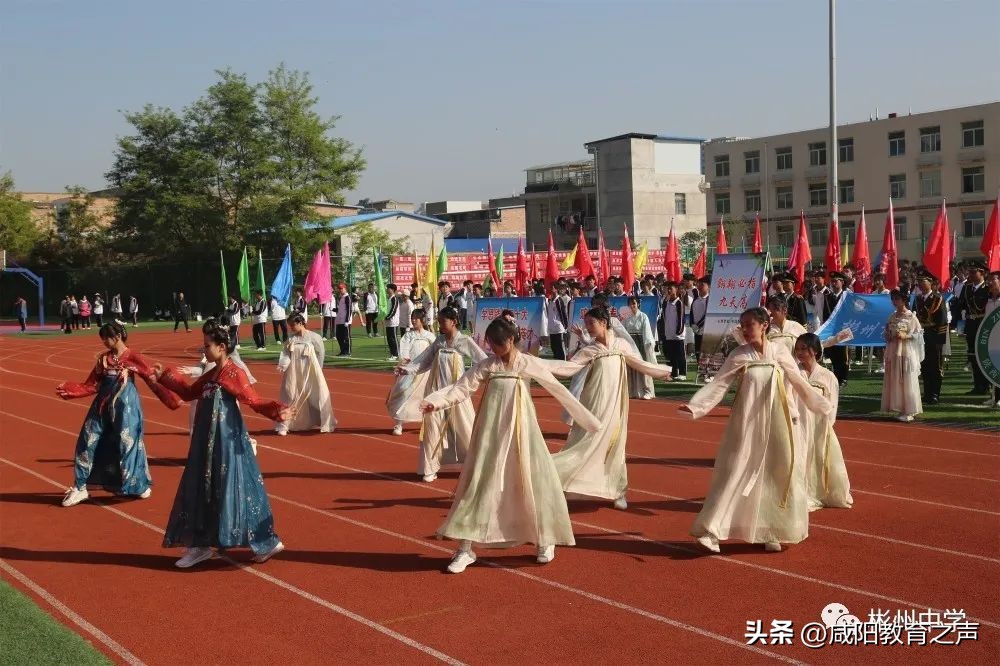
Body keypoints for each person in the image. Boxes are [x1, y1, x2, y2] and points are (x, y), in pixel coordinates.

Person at [420, 317, 601, 573]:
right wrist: (436, 402)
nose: (494, 348)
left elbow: (560, 376)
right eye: (491, 344)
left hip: (522, 432)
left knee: (534, 481)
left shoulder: (527, 363)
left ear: (512, 340)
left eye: (498, 343)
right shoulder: (487, 366)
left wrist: (588, 419)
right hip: (490, 435)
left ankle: (544, 540)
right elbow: (462, 388)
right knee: (479, 484)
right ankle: (465, 548)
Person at [679, 307, 832, 554]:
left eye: (750, 324)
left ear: (764, 325)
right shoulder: (739, 355)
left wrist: (819, 405)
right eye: (742, 324)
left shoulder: (780, 352)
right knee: (736, 471)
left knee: (776, 475)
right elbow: (720, 384)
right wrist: (696, 406)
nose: (745, 329)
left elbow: (798, 382)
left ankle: (771, 530)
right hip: (747, 424)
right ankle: (712, 531)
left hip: (778, 423)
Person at [153, 321, 292, 568]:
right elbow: (187, 393)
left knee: (238, 490)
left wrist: (277, 411)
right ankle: (200, 545)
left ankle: (264, 541)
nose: (204, 350)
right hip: (204, 443)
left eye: (208, 346)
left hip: (227, 443)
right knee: (201, 489)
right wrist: (165, 375)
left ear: (222, 346)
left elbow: (254, 400)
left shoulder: (233, 373)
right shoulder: (211, 373)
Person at [547, 306, 671, 509]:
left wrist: (662, 371)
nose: (588, 328)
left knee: (615, 446)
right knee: (585, 442)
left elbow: (640, 364)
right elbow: (568, 368)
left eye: (591, 324)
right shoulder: (590, 350)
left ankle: (618, 491)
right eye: (587, 324)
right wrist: (539, 366)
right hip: (594, 405)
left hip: (615, 406)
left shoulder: (621, 345)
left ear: (603, 323)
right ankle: (564, 480)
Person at [55, 321, 182, 507]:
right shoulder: (103, 360)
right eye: (103, 338)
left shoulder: (133, 357)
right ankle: (80, 487)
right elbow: (92, 384)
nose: (104, 342)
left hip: (126, 408)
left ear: (118, 337)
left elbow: (151, 379)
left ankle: (136, 485)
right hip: (101, 408)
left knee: (128, 444)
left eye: (107, 338)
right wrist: (73, 390)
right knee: (86, 440)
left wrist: (172, 399)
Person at [397, 306, 487, 482]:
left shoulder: (465, 341)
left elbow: (483, 361)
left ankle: (477, 466)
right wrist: (406, 370)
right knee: (431, 430)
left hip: (456, 395)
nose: (440, 326)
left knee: (465, 429)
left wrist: (475, 379)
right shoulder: (438, 341)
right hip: (436, 395)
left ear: (453, 322)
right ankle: (430, 468)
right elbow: (423, 361)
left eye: (443, 322)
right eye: (438, 322)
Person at [794, 333, 853, 510]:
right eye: (797, 349)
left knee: (820, 459)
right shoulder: (794, 373)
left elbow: (832, 404)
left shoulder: (828, 376)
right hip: (798, 424)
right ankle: (800, 492)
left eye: (804, 349)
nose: (800, 353)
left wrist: (827, 425)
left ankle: (821, 491)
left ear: (815, 351)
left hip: (820, 425)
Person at [275, 313, 335, 436]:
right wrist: (283, 365)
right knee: (290, 394)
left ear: (301, 323)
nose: (291, 327)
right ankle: (285, 424)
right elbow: (286, 353)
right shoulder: (291, 339)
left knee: (316, 396)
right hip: (293, 372)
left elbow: (320, 353)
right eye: (290, 325)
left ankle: (323, 421)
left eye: (293, 324)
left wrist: (318, 370)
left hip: (310, 372)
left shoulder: (314, 337)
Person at [386, 309, 436, 436]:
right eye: (412, 318)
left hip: (426, 372)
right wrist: (405, 362)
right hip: (410, 370)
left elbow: (435, 353)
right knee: (403, 393)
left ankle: (427, 423)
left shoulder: (430, 336)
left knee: (426, 397)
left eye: (416, 318)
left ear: (422, 320)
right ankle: (399, 424)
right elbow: (404, 351)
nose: (413, 320)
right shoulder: (408, 335)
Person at [882, 289, 924, 422]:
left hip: (906, 351)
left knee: (907, 378)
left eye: (897, 299)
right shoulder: (892, 316)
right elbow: (887, 329)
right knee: (896, 379)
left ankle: (910, 409)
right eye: (893, 299)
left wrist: (906, 336)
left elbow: (919, 334)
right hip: (894, 350)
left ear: (904, 300)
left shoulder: (911, 317)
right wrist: (887, 335)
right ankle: (901, 407)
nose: (895, 302)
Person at [914, 275, 947, 405]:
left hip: (934, 336)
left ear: (931, 283)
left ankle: (934, 394)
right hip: (921, 337)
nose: (921, 284)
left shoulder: (937, 299)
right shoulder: (917, 299)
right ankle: (926, 393)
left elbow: (943, 321)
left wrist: (940, 341)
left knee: (935, 367)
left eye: (923, 281)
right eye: (919, 281)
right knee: (924, 366)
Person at [620, 296, 659, 400]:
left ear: (638, 304)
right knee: (631, 368)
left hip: (641, 344)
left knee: (643, 368)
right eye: (630, 304)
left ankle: (648, 391)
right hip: (630, 345)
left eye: (634, 303)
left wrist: (648, 344)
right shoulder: (626, 318)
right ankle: (632, 391)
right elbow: (622, 331)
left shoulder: (643, 316)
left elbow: (647, 332)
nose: (632, 306)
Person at [961, 262, 990, 395]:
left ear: (982, 273)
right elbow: (961, 305)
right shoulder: (967, 288)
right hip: (971, 325)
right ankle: (978, 385)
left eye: (974, 272)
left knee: (984, 356)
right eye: (970, 272)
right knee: (973, 356)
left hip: (983, 325)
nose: (970, 275)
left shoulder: (988, 288)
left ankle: (986, 385)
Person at [824, 272, 849, 385]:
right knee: (833, 353)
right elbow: (825, 313)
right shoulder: (828, 296)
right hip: (832, 329)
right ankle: (836, 376)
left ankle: (843, 377)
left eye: (836, 281)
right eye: (832, 281)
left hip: (844, 328)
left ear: (842, 282)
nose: (833, 284)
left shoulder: (847, 296)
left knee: (843, 354)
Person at [659, 282, 687, 380]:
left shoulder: (679, 303)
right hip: (669, 333)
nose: (669, 290)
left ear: (676, 289)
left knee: (680, 355)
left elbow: (681, 319)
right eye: (667, 289)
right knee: (671, 355)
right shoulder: (666, 303)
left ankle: (683, 373)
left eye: (671, 288)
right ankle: (674, 373)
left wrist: (678, 331)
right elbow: (664, 317)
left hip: (678, 335)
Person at [547, 281, 571, 360]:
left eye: (552, 288)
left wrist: (565, 326)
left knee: (561, 349)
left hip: (559, 329)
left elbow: (563, 314)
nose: (551, 289)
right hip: (552, 329)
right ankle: (556, 365)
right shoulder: (550, 300)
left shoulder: (559, 301)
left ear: (556, 289)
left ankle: (563, 364)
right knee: (554, 349)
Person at [691, 276, 710, 357]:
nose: (699, 287)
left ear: (708, 286)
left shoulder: (709, 300)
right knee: (698, 354)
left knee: (705, 356)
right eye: (698, 284)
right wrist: (692, 324)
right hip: (697, 332)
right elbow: (692, 313)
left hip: (706, 332)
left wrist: (698, 325)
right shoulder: (696, 300)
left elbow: (707, 314)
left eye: (702, 284)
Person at [334, 283, 353, 357]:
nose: (340, 290)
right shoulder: (342, 298)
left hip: (345, 321)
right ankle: (342, 351)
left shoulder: (347, 297)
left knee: (346, 337)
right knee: (339, 336)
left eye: (342, 288)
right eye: (339, 289)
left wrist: (347, 320)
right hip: (339, 320)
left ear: (345, 288)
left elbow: (349, 310)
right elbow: (341, 309)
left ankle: (347, 352)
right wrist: (334, 309)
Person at [384, 283, 400, 360]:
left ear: (392, 290)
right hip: (388, 322)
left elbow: (393, 310)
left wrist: (388, 317)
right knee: (389, 338)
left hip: (393, 321)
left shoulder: (394, 298)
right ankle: (392, 353)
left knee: (393, 338)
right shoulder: (388, 299)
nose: (387, 289)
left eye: (388, 288)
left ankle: (396, 354)